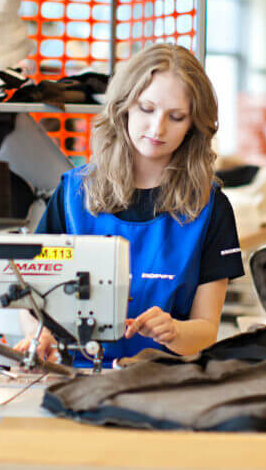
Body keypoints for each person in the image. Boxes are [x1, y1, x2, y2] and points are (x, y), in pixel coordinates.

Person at [17, 43, 243, 367]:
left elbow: (206, 330)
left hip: (161, 383)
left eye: (176, 117)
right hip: (72, 378)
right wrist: (40, 335)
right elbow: (31, 295)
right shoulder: (72, 196)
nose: (157, 128)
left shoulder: (210, 208)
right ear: (124, 106)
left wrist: (175, 332)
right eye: (146, 109)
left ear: (194, 125)